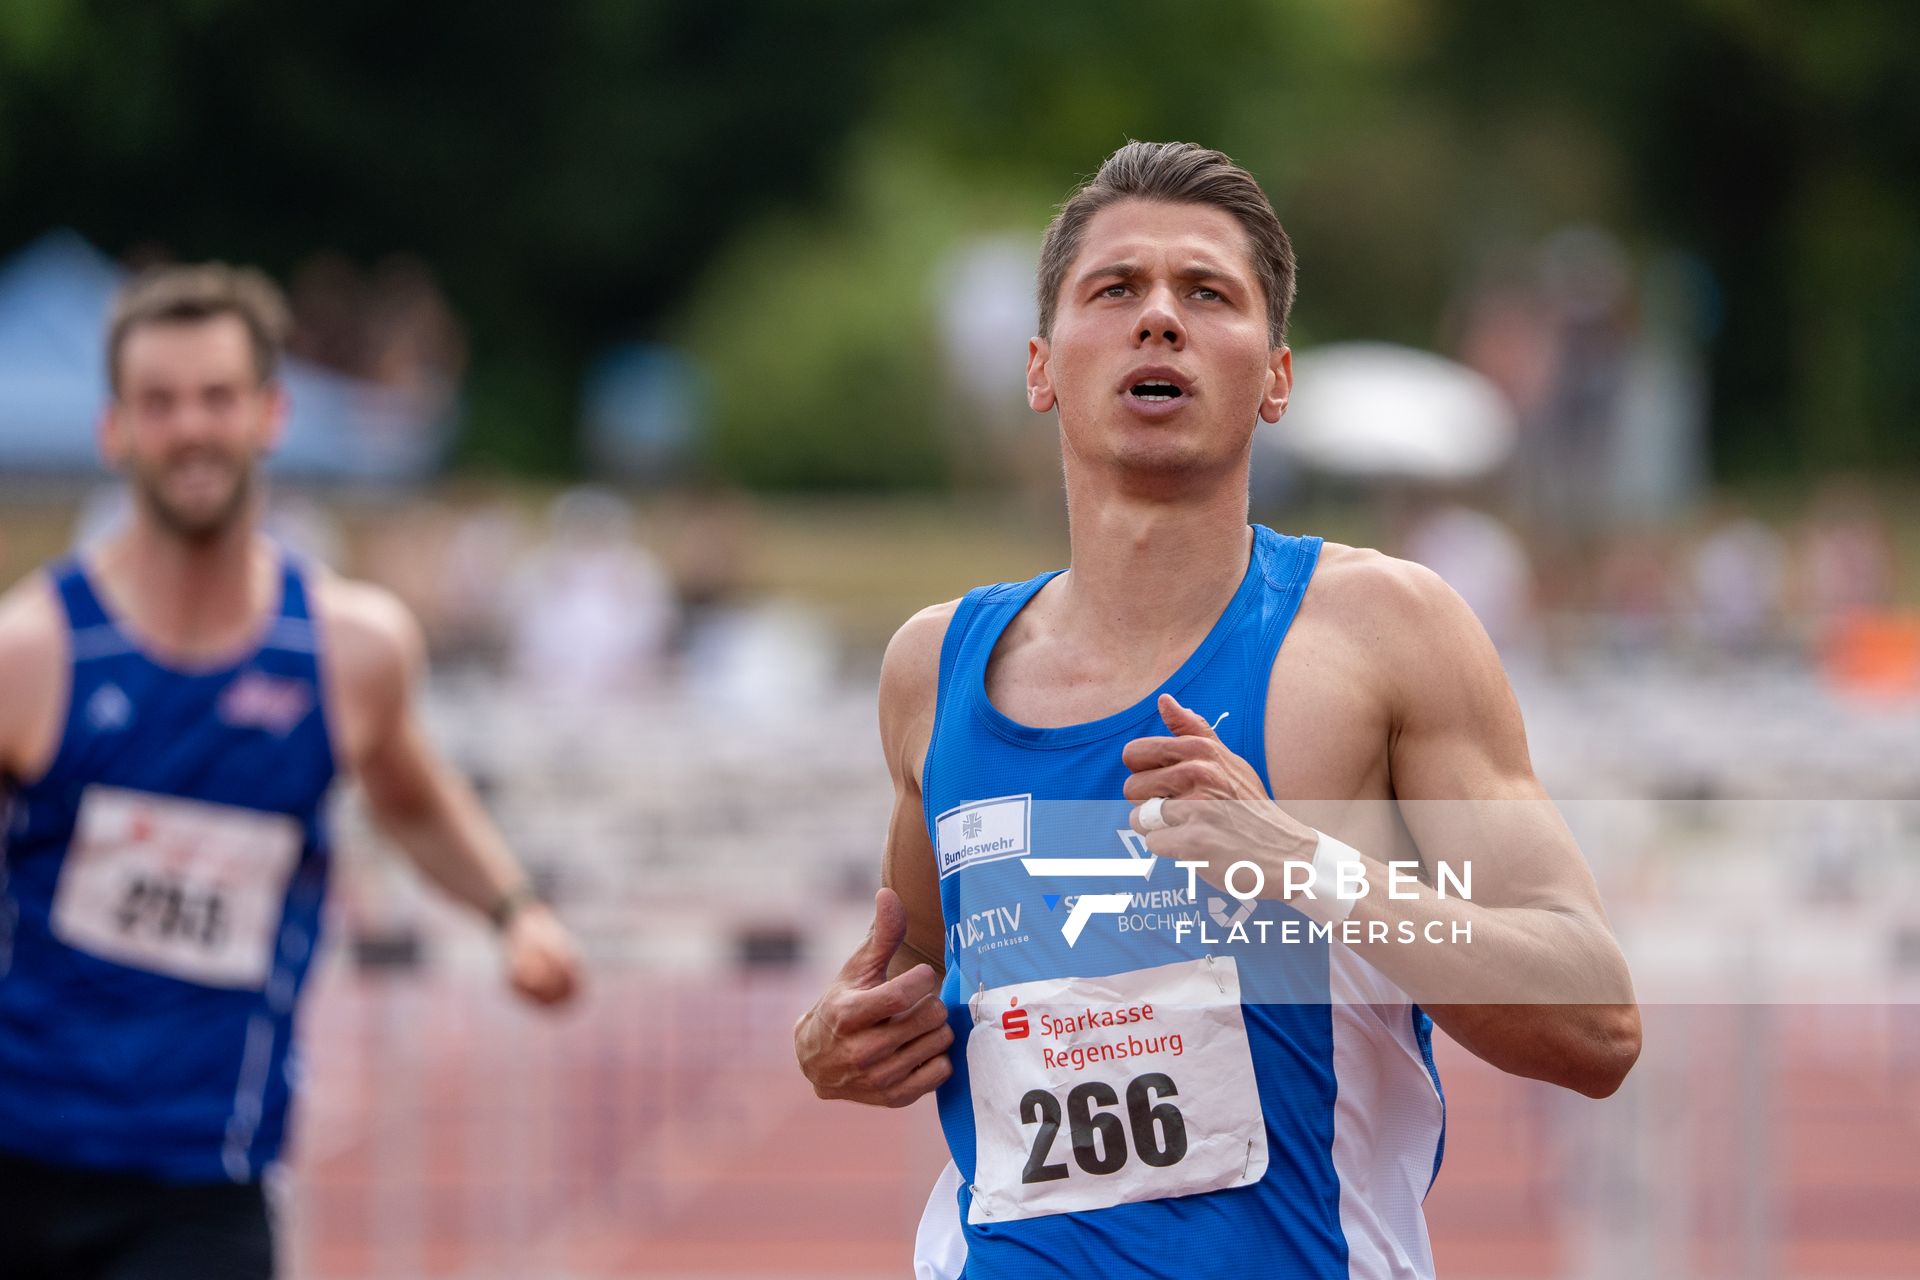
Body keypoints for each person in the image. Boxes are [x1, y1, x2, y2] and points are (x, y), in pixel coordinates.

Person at [793, 142, 1641, 1279]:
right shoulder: (932, 666)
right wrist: (832, 1044)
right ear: (1041, 366)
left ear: (1276, 377)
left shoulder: (1387, 632)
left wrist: (1305, 860)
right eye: (1115, 289)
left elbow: (1595, 1022)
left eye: (1206, 293)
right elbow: (906, 993)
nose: (1158, 319)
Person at [0, 264, 582, 1279]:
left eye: (218, 397)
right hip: (19, 1156)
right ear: (115, 430)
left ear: (272, 414)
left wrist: (514, 908)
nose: (192, 429)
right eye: (160, 402)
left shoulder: (346, 650)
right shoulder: (34, 654)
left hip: (206, 1181)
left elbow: (413, 794)